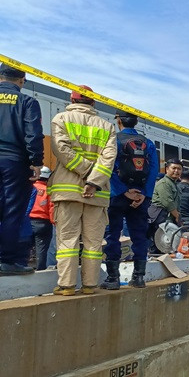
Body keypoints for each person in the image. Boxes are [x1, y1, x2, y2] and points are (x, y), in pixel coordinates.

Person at [49, 85, 117, 295]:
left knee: (67, 240)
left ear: (72, 100)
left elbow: (61, 150)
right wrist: (94, 180)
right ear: (93, 103)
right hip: (97, 193)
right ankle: (90, 285)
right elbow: (109, 158)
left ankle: (67, 285)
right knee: (93, 242)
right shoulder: (107, 127)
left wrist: (84, 171)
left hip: (68, 191)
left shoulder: (60, 119)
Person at [102, 111, 158, 289]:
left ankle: (113, 279)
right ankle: (139, 277)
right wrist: (143, 194)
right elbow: (154, 170)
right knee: (140, 236)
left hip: (117, 196)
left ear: (118, 120)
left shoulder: (113, 140)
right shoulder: (148, 143)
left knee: (112, 235)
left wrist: (123, 191)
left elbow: (108, 167)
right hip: (141, 197)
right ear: (136, 122)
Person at [0, 63, 43, 275]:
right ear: (21, 81)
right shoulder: (27, 101)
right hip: (14, 163)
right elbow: (33, 134)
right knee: (12, 211)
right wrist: (36, 162)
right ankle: (6, 261)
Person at [148, 158, 183, 254]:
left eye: (179, 169)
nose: (176, 171)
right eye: (174, 168)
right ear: (167, 169)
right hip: (159, 215)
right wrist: (177, 216)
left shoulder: (174, 184)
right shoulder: (164, 183)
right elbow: (167, 202)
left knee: (165, 243)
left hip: (166, 215)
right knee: (158, 242)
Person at [30, 166, 55, 271]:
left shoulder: (30, 188)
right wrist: (54, 221)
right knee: (42, 248)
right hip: (43, 223)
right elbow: (51, 207)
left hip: (28, 221)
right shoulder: (49, 190)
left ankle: (23, 266)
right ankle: (40, 270)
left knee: (25, 246)